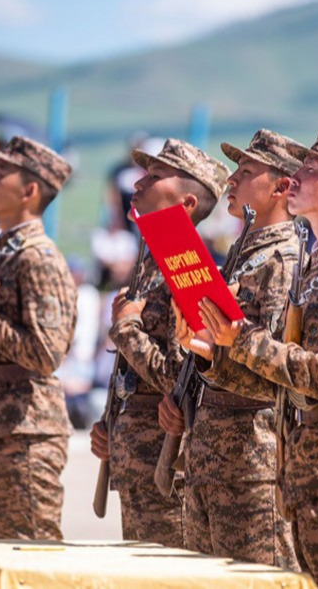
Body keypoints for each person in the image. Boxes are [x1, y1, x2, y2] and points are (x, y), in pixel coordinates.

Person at [198, 127, 318, 588]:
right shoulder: (314, 265)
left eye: (311, 170)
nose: (297, 177)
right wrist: (215, 354)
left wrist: (243, 340)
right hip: (300, 469)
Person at [158, 129, 301, 568]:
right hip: (211, 457)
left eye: (247, 171)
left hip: (251, 462)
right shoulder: (239, 254)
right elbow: (220, 355)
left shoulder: (284, 260)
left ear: (281, 187)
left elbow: (276, 372)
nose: (232, 181)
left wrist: (211, 355)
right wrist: (198, 361)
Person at [90, 138, 227, 548]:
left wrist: (126, 329)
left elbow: (184, 376)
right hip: (138, 458)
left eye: (155, 175)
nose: (138, 182)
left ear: (186, 203)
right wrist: (111, 421)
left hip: (166, 467)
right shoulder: (154, 255)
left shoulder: (188, 262)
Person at [0, 137, 77, 540]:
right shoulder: (3, 252)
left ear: (29, 191)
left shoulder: (37, 258)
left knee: (30, 561)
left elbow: (45, 354)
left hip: (25, 436)